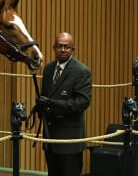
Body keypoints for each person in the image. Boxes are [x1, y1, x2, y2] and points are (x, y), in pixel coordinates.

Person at [35, 32, 92, 176]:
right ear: (54, 48)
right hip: (50, 137)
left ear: (73, 49)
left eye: (67, 47)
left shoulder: (81, 71)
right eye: (59, 46)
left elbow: (82, 103)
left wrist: (52, 103)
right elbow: (45, 97)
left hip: (70, 140)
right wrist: (40, 107)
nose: (63, 50)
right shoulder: (48, 69)